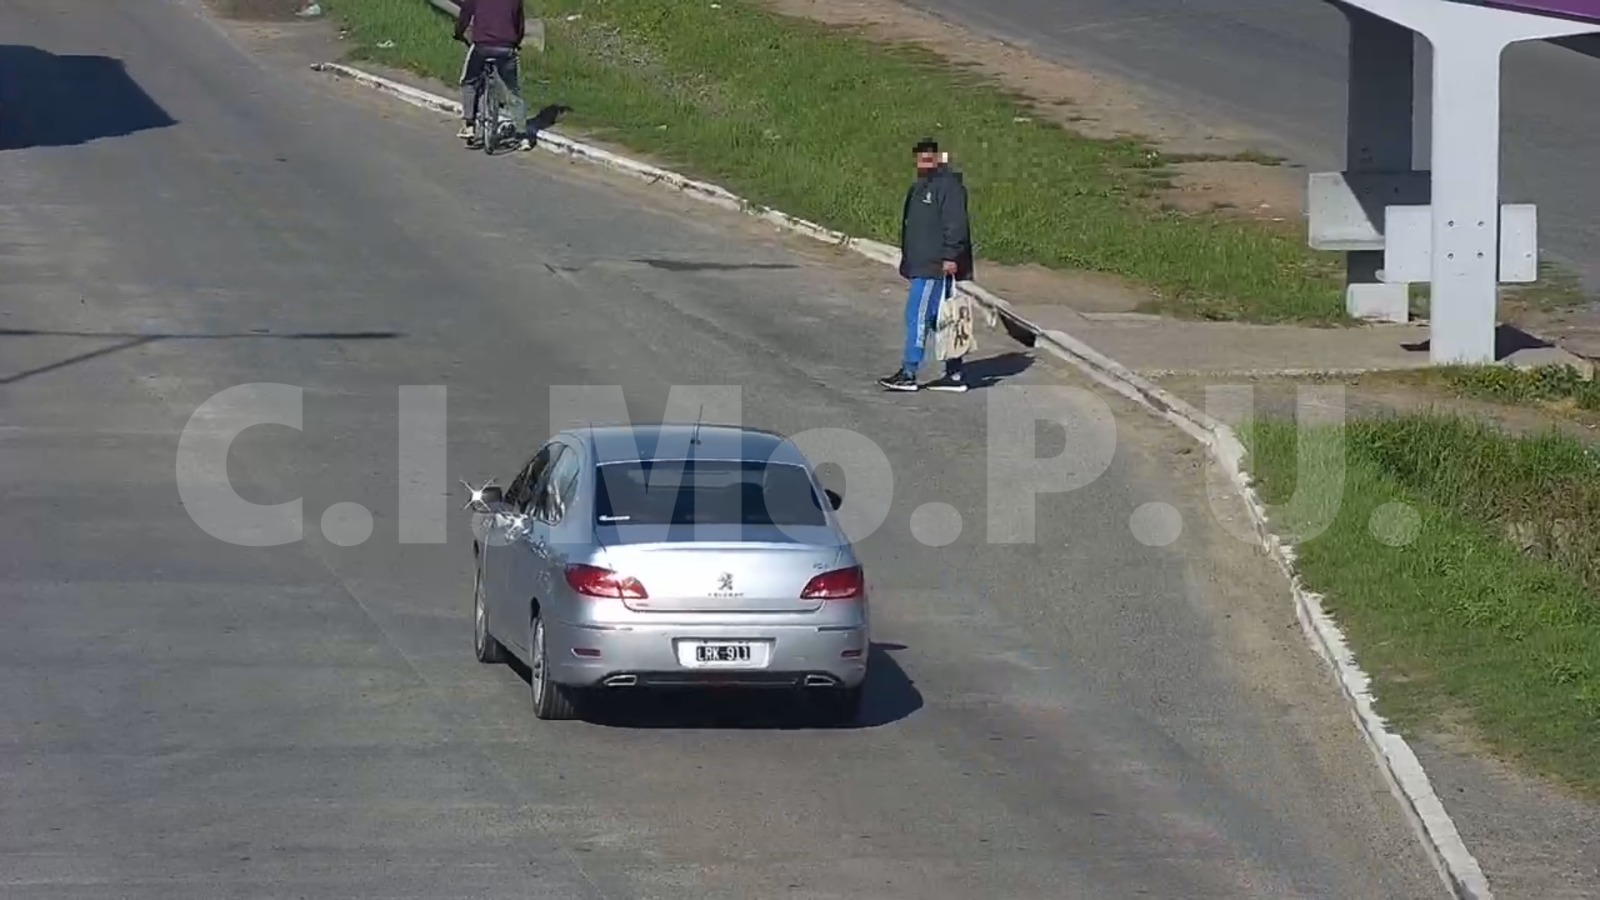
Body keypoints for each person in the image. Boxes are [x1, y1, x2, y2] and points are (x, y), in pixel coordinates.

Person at [879, 137, 974, 393]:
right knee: (937, 319)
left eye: (929, 157)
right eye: (920, 157)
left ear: (939, 157)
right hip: (921, 263)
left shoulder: (947, 186)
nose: (924, 161)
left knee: (917, 317)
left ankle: (909, 373)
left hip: (934, 265)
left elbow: (956, 224)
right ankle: (954, 374)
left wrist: (951, 256)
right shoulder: (922, 185)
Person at [453, 0, 531, 151]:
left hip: (483, 46)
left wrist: (458, 33)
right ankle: (523, 137)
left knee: (468, 81)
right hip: (507, 47)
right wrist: (515, 42)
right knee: (512, 90)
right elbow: (519, 24)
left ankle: (469, 125)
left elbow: (465, 15)